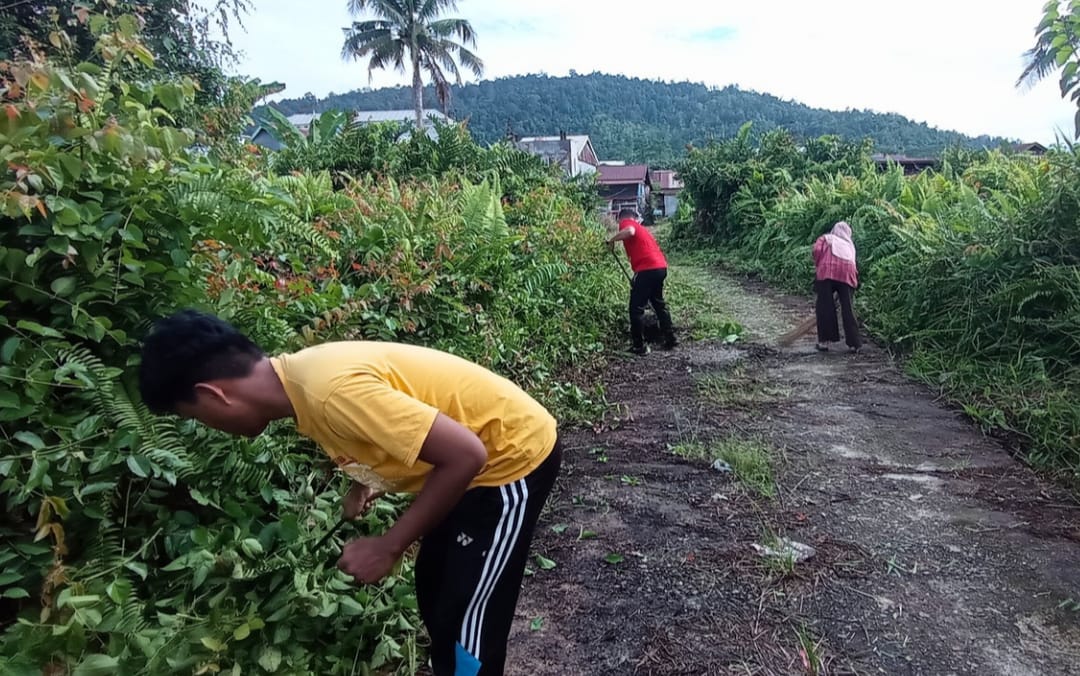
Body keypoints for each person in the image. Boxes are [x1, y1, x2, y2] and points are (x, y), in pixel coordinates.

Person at [138, 310, 562, 676]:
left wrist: (389, 546)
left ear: (213, 395)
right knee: (435, 587)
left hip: (507, 458)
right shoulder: (300, 381)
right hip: (465, 466)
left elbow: (467, 454)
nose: (206, 426)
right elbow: (375, 428)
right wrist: (365, 483)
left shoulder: (327, 392)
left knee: (470, 612)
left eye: (194, 417)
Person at [606, 207, 676, 355]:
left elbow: (630, 231)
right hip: (660, 268)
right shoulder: (642, 228)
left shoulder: (627, 222)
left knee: (635, 308)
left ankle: (639, 346)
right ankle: (670, 338)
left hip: (646, 269)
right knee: (658, 303)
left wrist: (611, 240)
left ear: (622, 218)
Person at [812, 221, 861, 353]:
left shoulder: (826, 238)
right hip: (847, 274)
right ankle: (854, 344)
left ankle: (824, 342)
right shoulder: (850, 245)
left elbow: (816, 250)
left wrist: (819, 263)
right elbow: (853, 264)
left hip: (827, 271)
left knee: (825, 306)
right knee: (848, 308)